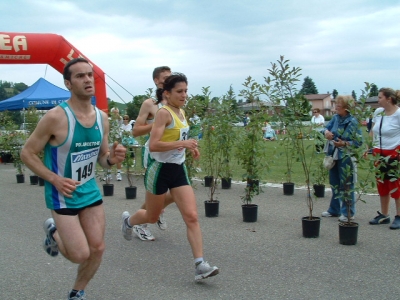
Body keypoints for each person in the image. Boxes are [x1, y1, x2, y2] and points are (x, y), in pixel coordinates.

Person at [20, 58, 126, 300]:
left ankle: (77, 292)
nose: (88, 79)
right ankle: (54, 232)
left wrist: (113, 158)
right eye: (80, 76)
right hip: (63, 194)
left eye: (90, 75)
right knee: (79, 254)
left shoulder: (102, 118)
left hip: (89, 190)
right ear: (68, 83)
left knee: (97, 248)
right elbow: (26, 153)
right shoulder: (56, 117)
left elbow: (102, 157)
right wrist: (54, 179)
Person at [122, 73, 219, 281]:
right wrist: (181, 144)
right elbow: (155, 144)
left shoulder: (181, 112)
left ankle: (200, 265)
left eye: (186, 90)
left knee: (191, 216)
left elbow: (179, 137)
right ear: (167, 93)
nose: (184, 95)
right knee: (152, 216)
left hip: (178, 169)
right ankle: (129, 221)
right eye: (179, 91)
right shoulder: (163, 113)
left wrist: (191, 146)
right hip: (159, 170)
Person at [130, 66, 174, 241]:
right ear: (156, 81)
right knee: (157, 193)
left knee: (175, 193)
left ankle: (157, 209)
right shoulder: (150, 104)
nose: (168, 80)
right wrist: (156, 124)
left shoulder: (175, 102)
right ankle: (140, 223)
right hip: (155, 153)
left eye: (170, 77)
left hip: (174, 153)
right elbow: (135, 131)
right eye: (165, 78)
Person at [320, 96, 362, 222]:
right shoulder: (335, 118)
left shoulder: (353, 122)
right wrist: (326, 133)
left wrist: (344, 143)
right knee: (334, 183)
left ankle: (348, 212)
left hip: (346, 156)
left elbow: (358, 142)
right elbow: (324, 129)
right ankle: (334, 209)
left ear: (346, 108)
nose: (335, 107)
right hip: (333, 154)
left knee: (346, 184)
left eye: (338, 105)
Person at [368, 88, 400, 229]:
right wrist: (369, 147)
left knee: (395, 185)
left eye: (380, 97)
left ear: (389, 99)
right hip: (378, 153)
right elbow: (372, 131)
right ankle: (384, 214)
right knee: (382, 184)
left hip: (394, 153)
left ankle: (398, 216)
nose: (378, 100)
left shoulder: (398, 114)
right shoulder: (378, 112)